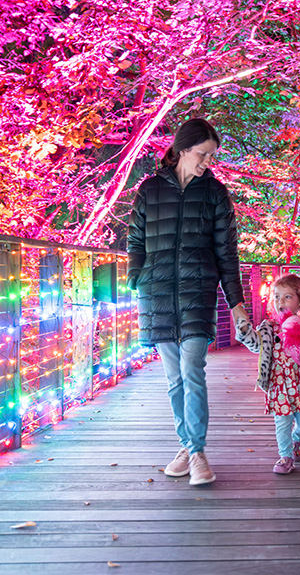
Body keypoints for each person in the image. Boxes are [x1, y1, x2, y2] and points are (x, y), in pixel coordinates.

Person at [127, 118, 250, 486]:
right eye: (202, 155)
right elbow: (135, 240)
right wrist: (138, 277)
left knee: (192, 371)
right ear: (183, 149)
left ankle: (195, 451)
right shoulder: (149, 191)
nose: (206, 163)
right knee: (172, 378)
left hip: (198, 292)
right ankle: (188, 447)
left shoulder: (214, 193)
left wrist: (236, 302)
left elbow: (227, 251)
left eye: (211, 157)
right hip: (158, 293)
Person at [234, 274, 300, 474]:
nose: (280, 301)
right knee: (282, 421)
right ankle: (285, 456)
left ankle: (297, 440)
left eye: (287, 297)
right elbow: (256, 346)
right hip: (278, 383)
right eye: (277, 296)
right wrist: (245, 330)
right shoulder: (269, 327)